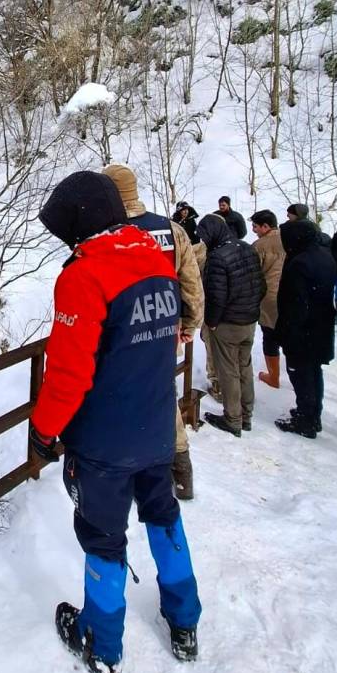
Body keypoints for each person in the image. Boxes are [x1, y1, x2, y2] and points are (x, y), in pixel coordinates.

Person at [28, 170, 202, 673]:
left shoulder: (84, 275)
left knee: (103, 537)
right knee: (164, 517)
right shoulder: (154, 257)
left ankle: (102, 646)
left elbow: (69, 371)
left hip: (105, 439)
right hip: (154, 425)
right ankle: (185, 621)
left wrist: (43, 431)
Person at [103, 164, 204, 501]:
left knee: (117, 396)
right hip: (163, 330)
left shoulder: (107, 233)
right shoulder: (171, 229)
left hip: (121, 334)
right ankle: (180, 469)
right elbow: (191, 283)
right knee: (162, 393)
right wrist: (190, 323)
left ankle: (126, 470)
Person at [196, 215, 265, 436]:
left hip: (227, 322)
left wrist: (212, 322)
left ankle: (233, 418)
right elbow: (260, 284)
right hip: (248, 319)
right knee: (244, 367)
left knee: (228, 371)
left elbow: (217, 295)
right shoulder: (246, 248)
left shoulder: (217, 257)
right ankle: (246, 414)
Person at [274, 220, 336, 438]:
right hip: (320, 324)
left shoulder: (299, 263)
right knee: (313, 372)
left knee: (302, 375)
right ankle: (312, 414)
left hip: (303, 329)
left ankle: (306, 419)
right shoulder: (324, 255)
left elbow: (296, 303)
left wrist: (287, 331)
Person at [249, 210, 285, 388]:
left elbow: (253, 274)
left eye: (255, 226)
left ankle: (274, 376)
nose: (253, 230)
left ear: (265, 226)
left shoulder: (259, 245)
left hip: (269, 296)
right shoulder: (290, 238)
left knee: (270, 337)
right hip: (291, 294)